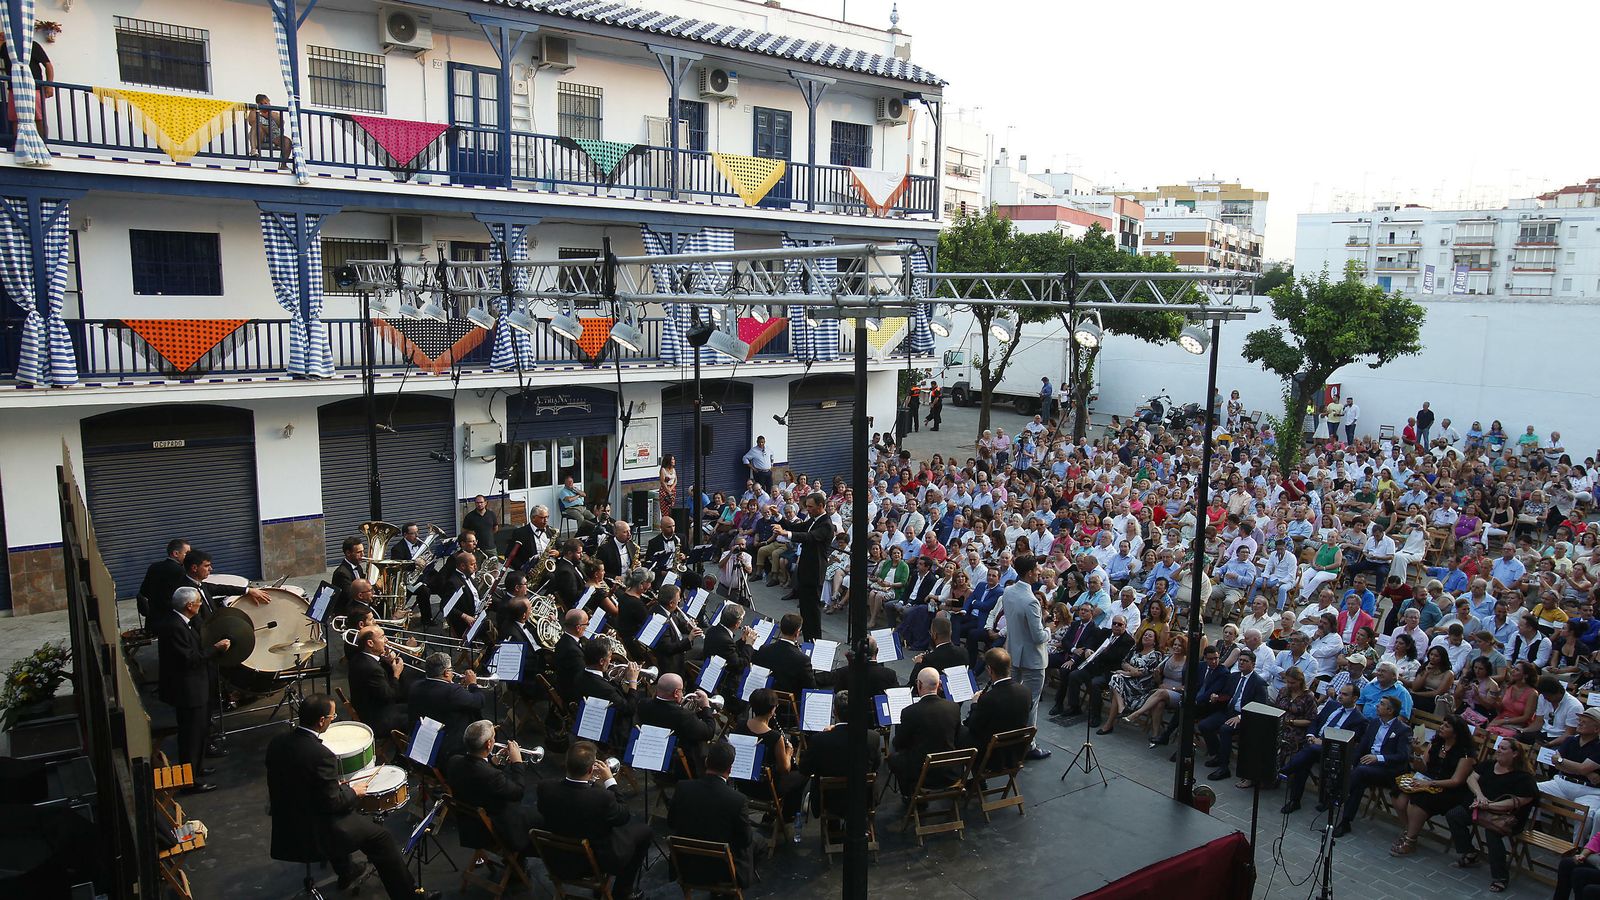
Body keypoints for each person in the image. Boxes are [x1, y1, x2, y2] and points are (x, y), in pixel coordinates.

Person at [265, 695, 437, 900]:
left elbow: (296, 779)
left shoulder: (277, 743)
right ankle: (409, 896)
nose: (333, 719)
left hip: (287, 822)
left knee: (351, 818)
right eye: (332, 716)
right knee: (381, 838)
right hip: (316, 829)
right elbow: (334, 803)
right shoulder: (321, 755)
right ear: (321, 721)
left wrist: (330, 786)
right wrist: (354, 791)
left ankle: (346, 871)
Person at [536, 741, 651, 898]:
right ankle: (623, 891)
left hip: (558, 859)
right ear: (590, 769)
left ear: (566, 764)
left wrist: (591, 784)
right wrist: (610, 781)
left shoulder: (545, 788)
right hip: (594, 862)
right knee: (645, 831)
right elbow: (623, 816)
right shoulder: (601, 798)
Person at [158, 587, 230, 793]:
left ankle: (196, 769)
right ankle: (190, 781)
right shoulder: (174, 627)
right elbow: (190, 658)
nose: (200, 605)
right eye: (198, 602)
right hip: (188, 691)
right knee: (191, 737)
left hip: (196, 687)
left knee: (199, 733)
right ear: (189, 606)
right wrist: (215, 649)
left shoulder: (184, 623)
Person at [1444, 738, 1538, 894]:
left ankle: (1500, 877)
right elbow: (1471, 778)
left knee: (1492, 833)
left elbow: (1519, 801)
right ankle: (1469, 852)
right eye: (1498, 747)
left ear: (1514, 754)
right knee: (1454, 815)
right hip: (1481, 808)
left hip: (1505, 817)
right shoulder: (1489, 765)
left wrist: (1489, 805)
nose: (1498, 750)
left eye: (1503, 748)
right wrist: (1480, 796)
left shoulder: (1523, 777)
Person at [668, 740, 755, 889]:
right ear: (730, 768)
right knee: (757, 843)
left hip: (687, 868)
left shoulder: (682, 788)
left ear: (707, 761)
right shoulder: (737, 800)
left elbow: (671, 823)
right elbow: (745, 840)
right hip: (723, 872)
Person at [1388, 714, 1475, 856]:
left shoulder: (1465, 754)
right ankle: (1409, 829)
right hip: (1427, 780)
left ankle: (1410, 840)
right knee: (1399, 792)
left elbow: (1456, 781)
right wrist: (1417, 753)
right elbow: (1422, 768)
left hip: (1448, 789)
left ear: (1456, 732)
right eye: (1442, 723)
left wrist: (1428, 783)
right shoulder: (1435, 743)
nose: (1441, 727)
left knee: (1419, 799)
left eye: (1446, 726)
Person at [446, 720, 540, 853]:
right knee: (540, 818)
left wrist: (493, 762)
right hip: (494, 829)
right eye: (493, 737)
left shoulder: (454, 761)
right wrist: (517, 762)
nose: (494, 740)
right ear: (489, 744)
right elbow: (518, 792)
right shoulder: (492, 776)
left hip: (469, 826)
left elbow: (476, 773)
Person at [1279, 682, 1366, 814]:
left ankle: (1285, 770)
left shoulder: (1359, 719)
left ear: (1355, 698)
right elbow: (1316, 721)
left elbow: (1348, 741)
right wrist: (1310, 735)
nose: (1340, 696)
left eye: (1345, 694)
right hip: (1314, 742)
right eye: (1340, 693)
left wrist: (1323, 742)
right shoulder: (1332, 705)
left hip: (1334, 750)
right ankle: (1294, 800)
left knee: (1309, 752)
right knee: (1305, 761)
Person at [1333, 695, 1413, 837]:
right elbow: (1363, 746)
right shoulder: (1375, 723)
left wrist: (1378, 758)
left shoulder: (1403, 730)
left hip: (1388, 770)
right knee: (1359, 778)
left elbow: (1403, 756)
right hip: (1367, 768)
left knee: (1361, 772)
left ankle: (1338, 792)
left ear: (1390, 710)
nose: (1377, 705)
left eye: (1381, 704)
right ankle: (1345, 822)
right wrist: (1352, 763)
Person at [1002, 554, 1052, 759]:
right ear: (1030, 573)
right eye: (1037, 570)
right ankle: (1028, 745)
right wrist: (1050, 628)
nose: (1040, 572)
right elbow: (1038, 636)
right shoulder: (1031, 601)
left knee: (1012, 701)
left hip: (1014, 652)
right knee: (1031, 703)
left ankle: (1007, 738)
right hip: (1032, 658)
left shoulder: (1008, 591)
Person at [890, 668, 961, 799]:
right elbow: (956, 737)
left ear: (919, 684)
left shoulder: (909, 712)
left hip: (923, 775)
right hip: (949, 772)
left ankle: (908, 796)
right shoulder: (953, 707)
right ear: (940, 684)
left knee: (895, 758)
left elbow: (899, 743)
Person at [1050, 614, 1132, 725]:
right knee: (1074, 675)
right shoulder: (1105, 633)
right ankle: (1074, 707)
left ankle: (1095, 715)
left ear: (1125, 626)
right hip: (1094, 666)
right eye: (1114, 623)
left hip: (1109, 671)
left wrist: (1101, 653)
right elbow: (1092, 643)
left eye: (1120, 624)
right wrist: (1089, 649)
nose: (1116, 626)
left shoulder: (1128, 641)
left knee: (1095, 683)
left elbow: (1117, 658)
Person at [1200, 650, 1268, 781]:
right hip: (1228, 711)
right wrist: (1216, 698)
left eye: (1245, 661)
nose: (1241, 663)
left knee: (1225, 729)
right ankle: (1218, 754)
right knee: (1204, 725)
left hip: (1244, 717)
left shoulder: (1259, 683)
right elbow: (1226, 694)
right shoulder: (1234, 676)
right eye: (1240, 660)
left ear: (1253, 664)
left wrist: (1241, 717)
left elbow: (1260, 707)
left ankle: (1223, 768)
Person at [406, 652, 484, 764]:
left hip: (422, 744)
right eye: (451, 669)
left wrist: (456, 687)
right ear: (446, 673)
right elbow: (479, 701)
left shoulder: (415, 685)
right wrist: (472, 684)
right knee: (473, 713)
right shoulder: (453, 691)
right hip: (447, 752)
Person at [634, 672, 717, 778]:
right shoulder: (684, 716)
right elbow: (709, 732)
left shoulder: (643, 704)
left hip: (652, 759)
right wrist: (706, 706)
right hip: (679, 768)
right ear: (676, 692)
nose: (683, 693)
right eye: (682, 690)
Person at [962, 648, 1032, 766]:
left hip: (992, 756)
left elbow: (973, 726)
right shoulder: (1026, 691)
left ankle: (973, 778)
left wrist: (975, 704)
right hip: (1015, 753)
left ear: (989, 670)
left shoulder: (988, 699)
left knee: (960, 733)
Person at [347, 625, 411, 736]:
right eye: (382, 637)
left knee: (414, 706)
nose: (386, 640)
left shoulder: (358, 658)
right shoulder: (372, 668)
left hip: (371, 708)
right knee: (416, 717)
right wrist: (396, 673)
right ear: (370, 643)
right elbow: (390, 696)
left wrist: (388, 664)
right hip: (377, 719)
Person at [787, 491, 834, 641]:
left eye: (811, 507)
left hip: (814, 572)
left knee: (812, 610)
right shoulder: (813, 520)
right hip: (806, 570)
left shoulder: (826, 524)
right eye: (806, 506)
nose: (808, 509)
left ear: (821, 506)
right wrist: (778, 518)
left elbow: (809, 537)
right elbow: (799, 528)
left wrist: (787, 534)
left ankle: (815, 640)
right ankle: (807, 638)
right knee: (805, 609)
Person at [138, 538, 190, 628]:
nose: (189, 557)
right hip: (172, 622)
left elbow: (143, 592)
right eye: (187, 553)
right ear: (176, 554)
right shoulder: (180, 571)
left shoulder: (154, 567)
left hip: (153, 619)